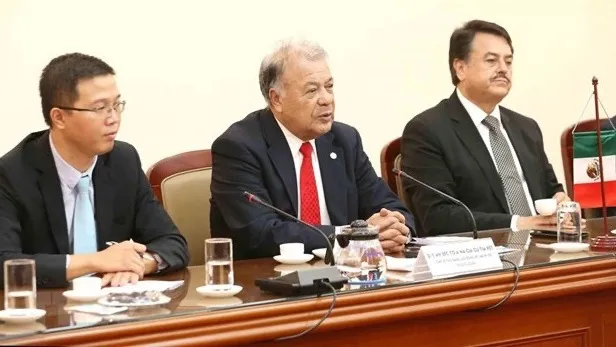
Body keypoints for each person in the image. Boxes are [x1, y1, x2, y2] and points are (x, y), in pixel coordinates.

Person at [210, 39, 415, 260]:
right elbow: (262, 233)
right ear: (276, 99)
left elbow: (389, 204)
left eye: (329, 86)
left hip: (347, 278)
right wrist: (352, 236)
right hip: (269, 281)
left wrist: (397, 227)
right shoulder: (239, 147)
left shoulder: (345, 140)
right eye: (312, 91)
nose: (327, 99)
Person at [0, 53, 189, 288]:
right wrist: (96, 262)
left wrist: (139, 263)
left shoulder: (123, 160)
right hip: (46, 313)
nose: (114, 119)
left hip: (112, 312)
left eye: (116, 105)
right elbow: (5, 264)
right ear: (59, 117)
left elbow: (172, 242)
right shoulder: (12, 174)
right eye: (100, 108)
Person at [400, 20, 568, 236]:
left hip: (546, 247)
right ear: (460, 68)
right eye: (491, 61)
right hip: (483, 257)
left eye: (508, 61)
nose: (504, 69)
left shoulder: (527, 128)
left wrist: (561, 201)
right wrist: (518, 223)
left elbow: (551, 189)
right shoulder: (427, 131)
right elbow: (437, 217)